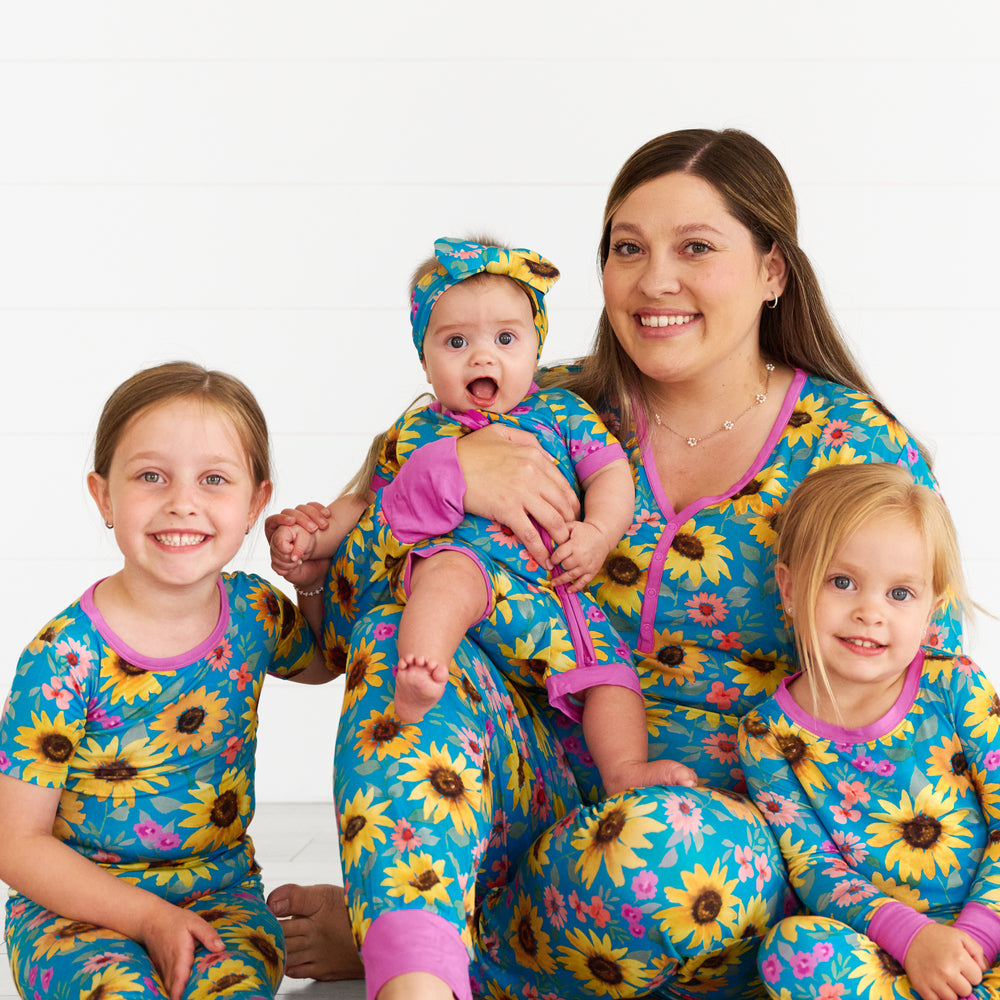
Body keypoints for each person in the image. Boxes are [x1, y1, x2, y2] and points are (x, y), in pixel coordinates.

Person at [265, 128, 964, 1000]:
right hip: (523, 796)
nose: (654, 280)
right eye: (627, 249)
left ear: (774, 271)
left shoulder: (853, 449)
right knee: (409, 656)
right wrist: (436, 482)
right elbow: (343, 624)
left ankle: (427, 938)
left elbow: (922, 679)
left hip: (724, 836)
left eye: (695, 249)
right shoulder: (524, 400)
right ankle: (415, 979)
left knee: (662, 860)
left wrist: (934, 921)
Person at [269, 236, 697, 796]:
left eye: (505, 338)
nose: (483, 356)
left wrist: (597, 533)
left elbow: (609, 475)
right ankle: (424, 667)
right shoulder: (417, 429)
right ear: (424, 362)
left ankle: (622, 772)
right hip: (471, 573)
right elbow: (367, 507)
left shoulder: (562, 413)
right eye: (455, 341)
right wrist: (311, 538)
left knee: (611, 677)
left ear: (535, 351)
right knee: (449, 574)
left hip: (552, 599)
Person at [0, 362, 337, 1000]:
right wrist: (147, 918)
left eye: (214, 479)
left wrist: (310, 577)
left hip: (220, 895)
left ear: (255, 503)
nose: (183, 501)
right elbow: (15, 843)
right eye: (151, 476)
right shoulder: (64, 657)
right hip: (73, 909)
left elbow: (324, 661)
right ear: (103, 496)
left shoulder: (255, 613)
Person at [738, 463, 999, 1000]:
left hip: (989, 932)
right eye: (842, 582)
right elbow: (816, 868)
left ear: (932, 611)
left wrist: (970, 941)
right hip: (880, 949)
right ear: (789, 589)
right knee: (792, 950)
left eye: (900, 594)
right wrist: (914, 939)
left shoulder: (955, 687)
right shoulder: (767, 733)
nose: (869, 612)